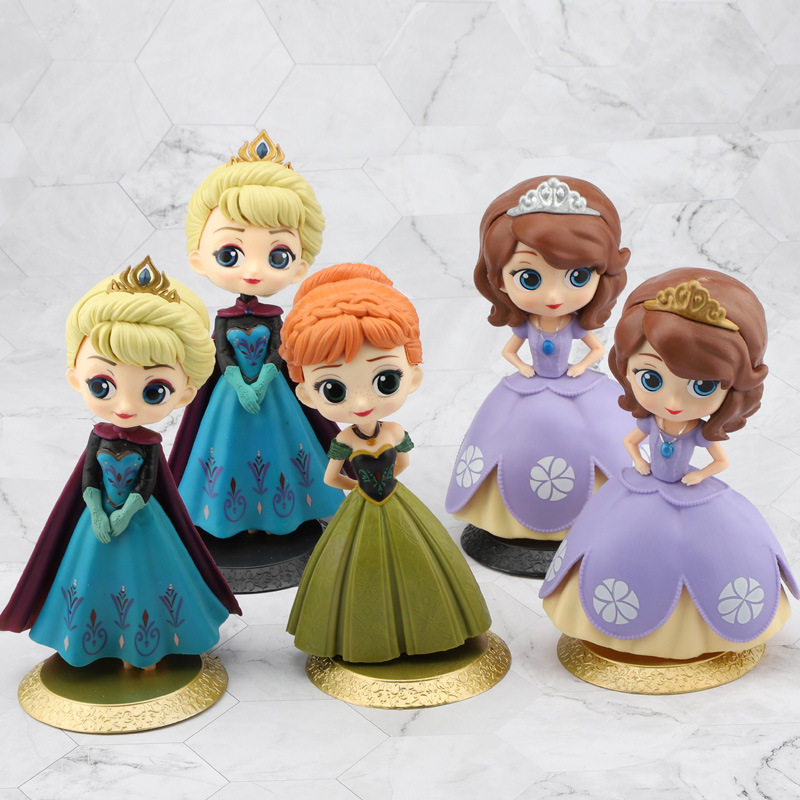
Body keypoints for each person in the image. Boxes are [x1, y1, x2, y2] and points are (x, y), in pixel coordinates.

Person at [540, 269, 798, 658]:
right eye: (652, 378)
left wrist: (700, 475)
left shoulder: (698, 432)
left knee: (712, 555)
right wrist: (637, 462)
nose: (674, 402)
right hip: (641, 487)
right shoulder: (649, 422)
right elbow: (630, 442)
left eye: (702, 386)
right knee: (617, 544)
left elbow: (720, 461)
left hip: (691, 494)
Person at [0, 258, 241, 668]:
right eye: (102, 385)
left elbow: (149, 482)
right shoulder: (99, 438)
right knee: (87, 581)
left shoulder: (150, 444)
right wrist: (97, 511)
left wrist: (127, 510)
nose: (126, 406)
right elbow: (88, 478)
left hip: (143, 521)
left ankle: (149, 647)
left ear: (186, 393)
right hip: (96, 524)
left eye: (154, 390)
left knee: (150, 581)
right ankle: (92, 643)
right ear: (75, 378)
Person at [280, 263, 491, 663]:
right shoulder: (343, 440)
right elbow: (331, 477)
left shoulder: (394, 431)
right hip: (364, 504)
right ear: (306, 394)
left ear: (412, 376)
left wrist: (382, 482)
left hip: (395, 501)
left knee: (423, 562)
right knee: (353, 573)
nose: (361, 402)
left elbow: (403, 462)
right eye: (334, 388)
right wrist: (358, 488)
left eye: (385, 380)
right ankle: (361, 636)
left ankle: (431, 629)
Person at [169, 131, 342, 540]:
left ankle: (287, 513)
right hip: (230, 394)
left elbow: (280, 349)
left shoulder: (275, 317)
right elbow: (221, 352)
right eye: (230, 254)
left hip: (273, 390)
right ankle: (229, 518)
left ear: (300, 266)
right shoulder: (225, 318)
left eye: (277, 256)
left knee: (285, 447)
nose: (252, 269)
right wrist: (235, 378)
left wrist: (264, 377)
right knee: (225, 448)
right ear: (199, 258)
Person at [446, 176, 632, 554]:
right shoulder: (525, 325)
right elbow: (509, 351)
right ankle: (510, 519)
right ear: (499, 279)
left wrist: (581, 367)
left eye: (577, 276)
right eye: (529, 277)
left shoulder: (575, 326)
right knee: (507, 438)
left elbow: (597, 348)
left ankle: (605, 519)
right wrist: (522, 367)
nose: (553, 295)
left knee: (605, 441)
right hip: (528, 385)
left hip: (578, 386)